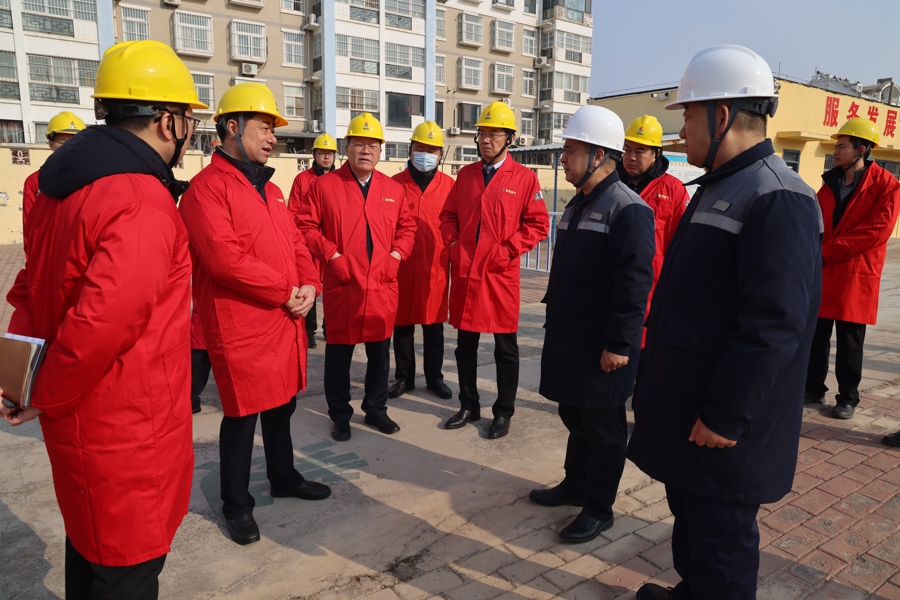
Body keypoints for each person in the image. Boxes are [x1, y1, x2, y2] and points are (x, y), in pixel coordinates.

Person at [2, 40, 206, 599]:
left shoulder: (60, 187)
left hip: (83, 426)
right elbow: (100, 326)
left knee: (89, 549)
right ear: (167, 121)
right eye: (188, 118)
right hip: (127, 430)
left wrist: (21, 381)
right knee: (124, 567)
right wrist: (44, 394)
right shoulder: (141, 201)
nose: (189, 131)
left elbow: (30, 289)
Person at [627, 45, 822, 600]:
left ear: (721, 116)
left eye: (687, 115)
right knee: (693, 525)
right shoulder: (720, 185)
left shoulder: (777, 198)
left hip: (724, 423)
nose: (681, 129)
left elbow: (774, 324)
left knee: (723, 546)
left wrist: (726, 416)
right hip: (693, 407)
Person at [179, 82, 330, 547]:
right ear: (232, 126)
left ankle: (283, 476)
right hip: (241, 322)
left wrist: (310, 285)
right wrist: (285, 291)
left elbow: (297, 243)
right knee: (243, 415)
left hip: (283, 317)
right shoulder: (206, 190)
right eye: (264, 127)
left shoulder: (272, 190)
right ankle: (236, 504)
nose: (271, 138)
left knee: (283, 405)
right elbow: (224, 260)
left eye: (273, 130)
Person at [531, 105, 655, 543]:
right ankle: (575, 484)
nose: (563, 158)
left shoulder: (628, 208)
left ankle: (599, 508)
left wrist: (619, 344)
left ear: (599, 155)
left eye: (571, 150)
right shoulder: (578, 204)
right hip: (572, 337)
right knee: (574, 412)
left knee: (604, 429)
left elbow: (634, 284)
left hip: (604, 345)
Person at [297, 113, 417, 442]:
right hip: (344, 284)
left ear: (381, 151)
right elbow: (305, 225)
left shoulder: (392, 189)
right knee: (339, 355)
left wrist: (396, 255)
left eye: (373, 145)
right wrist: (332, 255)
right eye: (359, 144)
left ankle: (376, 408)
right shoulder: (325, 186)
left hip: (381, 285)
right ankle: (340, 414)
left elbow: (407, 228)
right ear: (346, 147)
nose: (366, 151)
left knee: (379, 354)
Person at [439, 101, 550, 439]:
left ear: (510, 139)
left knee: (505, 348)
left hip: (500, 275)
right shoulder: (466, 175)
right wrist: (454, 244)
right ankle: (469, 404)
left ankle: (503, 412)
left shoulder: (525, 178)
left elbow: (538, 224)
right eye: (482, 134)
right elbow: (448, 216)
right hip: (467, 272)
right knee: (465, 345)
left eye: (494, 134)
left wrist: (506, 250)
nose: (486, 140)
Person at [804, 118, 900, 420]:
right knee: (816, 335)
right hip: (824, 269)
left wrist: (829, 250)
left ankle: (847, 397)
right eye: (836, 146)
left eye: (842, 146)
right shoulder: (829, 183)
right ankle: (812, 388)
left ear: (862, 149)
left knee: (849, 339)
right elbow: (813, 220)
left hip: (855, 272)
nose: (835, 151)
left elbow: (877, 230)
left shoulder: (886, 184)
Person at [387, 121, 455, 401]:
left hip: (435, 266)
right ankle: (404, 377)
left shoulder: (450, 187)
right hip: (400, 266)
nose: (425, 154)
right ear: (410, 149)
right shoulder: (393, 185)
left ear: (440, 154)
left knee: (433, 327)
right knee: (401, 325)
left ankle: (434, 378)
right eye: (420, 148)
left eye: (432, 149)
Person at [617, 115, 690, 331]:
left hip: (652, 296)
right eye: (627, 149)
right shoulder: (610, 185)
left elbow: (682, 247)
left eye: (640, 151)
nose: (631, 157)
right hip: (612, 288)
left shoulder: (674, 190)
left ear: (656, 153)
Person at [288, 133, 339, 348]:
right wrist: (299, 241)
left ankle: (330, 328)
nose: (326, 157)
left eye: (329, 153)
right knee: (309, 285)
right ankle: (309, 332)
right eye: (322, 153)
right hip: (308, 243)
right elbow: (293, 211)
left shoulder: (341, 180)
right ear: (314, 155)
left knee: (333, 289)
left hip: (332, 243)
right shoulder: (302, 179)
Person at [22, 111, 86, 253]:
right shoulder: (34, 182)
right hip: (47, 253)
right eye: (62, 142)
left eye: (76, 141)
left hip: (78, 253)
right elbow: (29, 226)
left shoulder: (91, 179)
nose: (70, 147)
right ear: (51, 143)